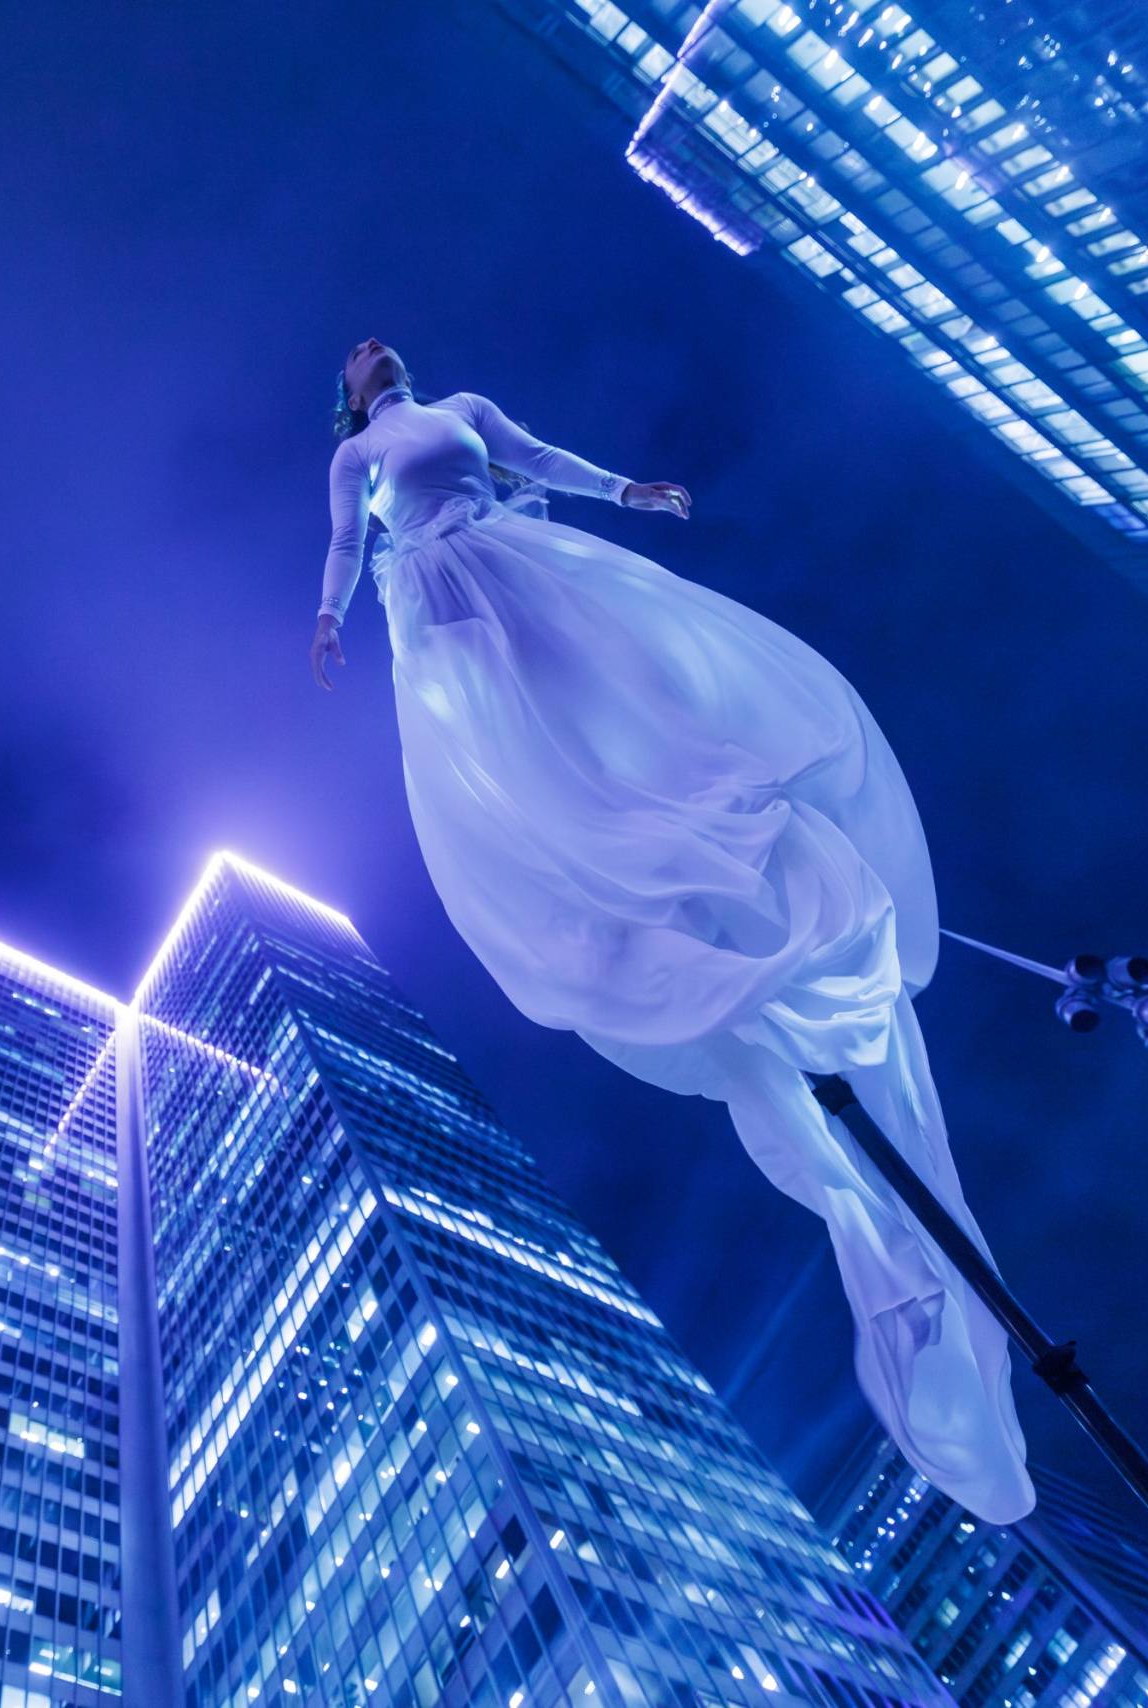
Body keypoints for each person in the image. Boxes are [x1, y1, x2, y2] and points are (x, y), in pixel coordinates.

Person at [312, 338, 1032, 1523]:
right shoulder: (358, 457)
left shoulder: (463, 406)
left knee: (632, 726)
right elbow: (345, 542)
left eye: (376, 345)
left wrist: (625, 491)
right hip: (441, 603)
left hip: (517, 565)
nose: (369, 351)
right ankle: (624, 873)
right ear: (341, 397)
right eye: (351, 359)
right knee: (545, 772)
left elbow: (535, 456)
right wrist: (328, 615)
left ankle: (694, 838)